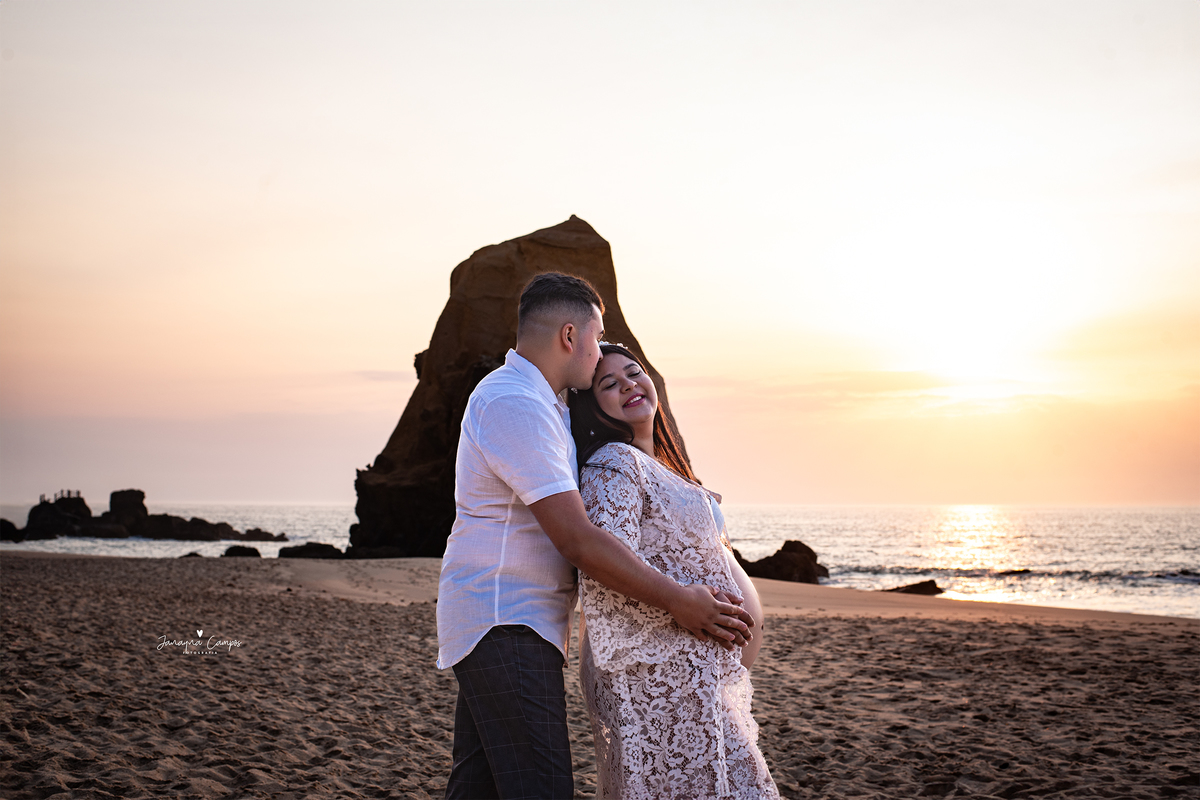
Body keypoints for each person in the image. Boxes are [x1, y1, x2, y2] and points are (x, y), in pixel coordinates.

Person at [436, 273, 754, 800]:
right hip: (505, 619)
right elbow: (578, 540)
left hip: (511, 621)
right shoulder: (514, 402)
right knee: (542, 789)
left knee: (479, 789)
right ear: (570, 335)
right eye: (597, 334)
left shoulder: (545, 406)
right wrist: (679, 600)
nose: (600, 349)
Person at [569, 342, 779, 800]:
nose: (628, 384)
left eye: (633, 372)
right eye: (609, 384)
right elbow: (605, 559)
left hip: (688, 673)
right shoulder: (614, 463)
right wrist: (682, 602)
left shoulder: (657, 464)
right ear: (592, 406)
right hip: (658, 673)